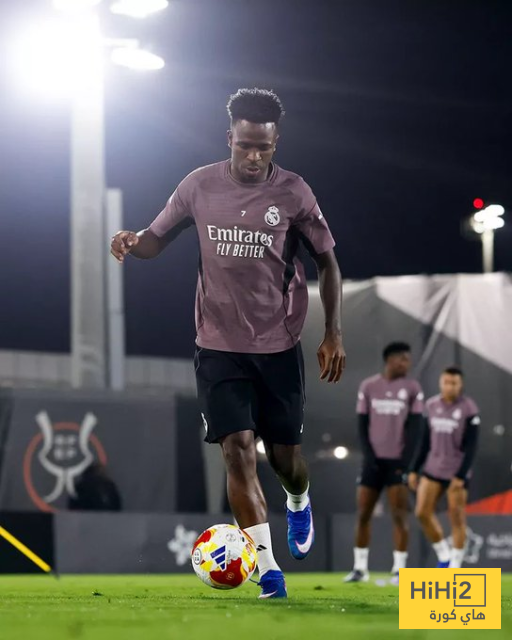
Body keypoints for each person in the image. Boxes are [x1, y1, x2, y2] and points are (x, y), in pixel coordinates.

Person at [110, 88, 345, 598]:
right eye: (245, 146)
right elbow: (156, 238)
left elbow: (327, 261)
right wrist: (134, 241)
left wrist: (332, 332)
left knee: (285, 461)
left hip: (278, 345)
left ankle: (298, 501)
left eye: (264, 147)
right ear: (229, 139)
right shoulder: (198, 185)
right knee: (238, 451)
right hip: (217, 345)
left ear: (276, 143)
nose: (254, 156)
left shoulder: (295, 193)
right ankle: (269, 571)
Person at [344, 342, 424, 584]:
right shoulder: (368, 386)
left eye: (408, 359)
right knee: (363, 514)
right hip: (372, 462)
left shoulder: (412, 388)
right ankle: (360, 569)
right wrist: (369, 456)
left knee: (400, 515)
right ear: (390, 359)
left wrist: (405, 463)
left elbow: (416, 429)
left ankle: (399, 569)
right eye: (403, 359)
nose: (407, 363)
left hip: (397, 463)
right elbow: (361, 425)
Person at [408, 367, 480, 568]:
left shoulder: (468, 408)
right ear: (441, 383)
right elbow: (424, 442)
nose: (450, 386)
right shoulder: (431, 405)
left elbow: (472, 446)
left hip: (456, 472)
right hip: (432, 469)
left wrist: (461, 475)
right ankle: (444, 555)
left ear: (460, 384)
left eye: (454, 383)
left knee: (457, 517)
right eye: (446, 382)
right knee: (422, 512)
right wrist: (414, 469)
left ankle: (455, 566)